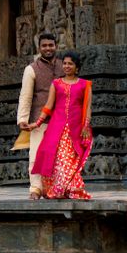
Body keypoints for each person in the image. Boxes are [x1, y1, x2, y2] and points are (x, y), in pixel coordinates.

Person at [29, 50, 93, 200]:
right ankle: (57, 190)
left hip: (76, 128)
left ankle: (69, 189)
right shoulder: (56, 84)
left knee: (70, 160)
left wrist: (86, 127)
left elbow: (88, 107)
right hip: (56, 127)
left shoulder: (85, 85)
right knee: (57, 159)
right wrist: (37, 123)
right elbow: (48, 106)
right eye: (64, 63)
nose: (66, 66)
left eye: (70, 63)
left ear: (77, 67)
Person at [16, 32, 63, 199]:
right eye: (44, 46)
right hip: (38, 119)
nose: (48, 48)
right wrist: (22, 119)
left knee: (59, 155)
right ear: (39, 48)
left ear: (56, 46)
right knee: (36, 155)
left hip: (61, 119)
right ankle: (35, 189)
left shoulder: (64, 66)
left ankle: (56, 188)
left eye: (51, 45)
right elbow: (26, 95)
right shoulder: (31, 69)